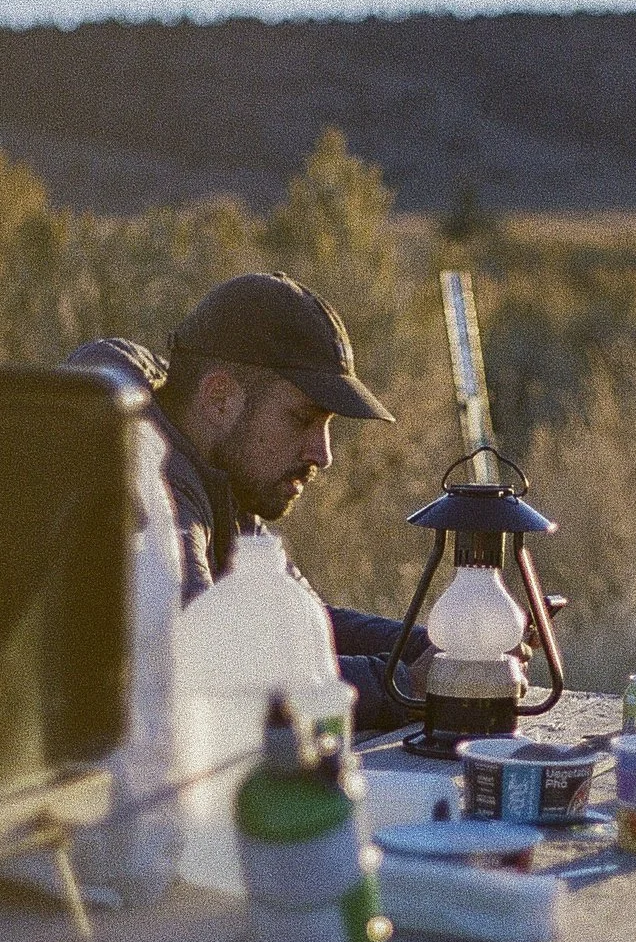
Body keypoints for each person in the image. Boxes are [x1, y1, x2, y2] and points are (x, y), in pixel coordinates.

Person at [66, 272, 431, 729]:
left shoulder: (219, 474)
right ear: (220, 399)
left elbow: (304, 625)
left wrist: (433, 647)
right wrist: (404, 686)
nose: (324, 454)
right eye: (302, 420)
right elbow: (204, 668)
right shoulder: (141, 477)